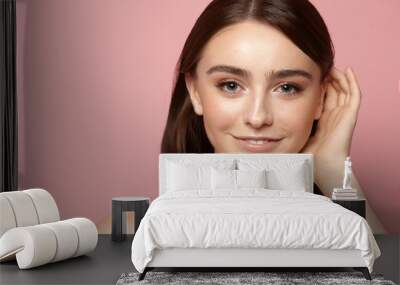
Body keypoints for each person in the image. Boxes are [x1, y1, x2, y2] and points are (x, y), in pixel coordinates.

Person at [160, 0, 386, 233]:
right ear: (195, 92)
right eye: (230, 85)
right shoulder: (164, 224)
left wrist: (334, 171)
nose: (258, 118)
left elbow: (383, 268)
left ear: (321, 97)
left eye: (287, 88)